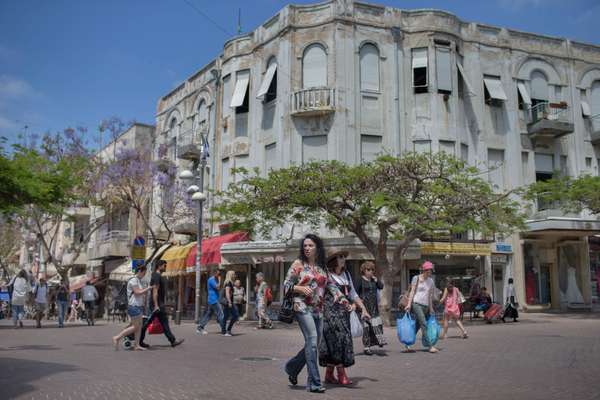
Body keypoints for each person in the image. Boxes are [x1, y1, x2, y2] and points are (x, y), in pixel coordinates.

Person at [283, 234, 349, 394]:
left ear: (317, 248)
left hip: (318, 309)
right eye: (305, 246)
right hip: (301, 306)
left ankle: (292, 367)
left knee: (313, 345)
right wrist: (299, 288)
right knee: (312, 342)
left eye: (310, 245)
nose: (307, 248)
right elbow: (286, 285)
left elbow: (331, 285)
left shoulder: (322, 267)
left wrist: (341, 297)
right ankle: (314, 383)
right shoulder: (298, 264)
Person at [319, 250, 369, 386]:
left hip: (344, 312)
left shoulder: (346, 274)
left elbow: (353, 294)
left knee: (339, 341)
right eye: (340, 257)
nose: (343, 259)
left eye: (343, 257)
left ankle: (329, 374)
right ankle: (341, 374)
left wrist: (362, 309)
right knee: (339, 340)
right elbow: (319, 294)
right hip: (330, 312)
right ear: (334, 260)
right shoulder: (326, 275)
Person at [139, 260, 184, 348]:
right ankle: (135, 338)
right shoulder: (156, 276)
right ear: (159, 266)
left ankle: (172, 340)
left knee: (163, 322)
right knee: (146, 323)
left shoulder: (157, 275)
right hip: (157, 304)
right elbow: (155, 291)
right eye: (164, 265)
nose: (165, 267)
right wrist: (156, 305)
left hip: (159, 304)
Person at [112, 266, 153, 351]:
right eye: (143, 273)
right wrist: (148, 288)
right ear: (139, 271)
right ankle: (117, 337)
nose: (144, 275)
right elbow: (137, 292)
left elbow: (140, 294)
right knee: (135, 327)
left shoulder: (138, 281)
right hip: (133, 307)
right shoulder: (133, 280)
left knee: (139, 327)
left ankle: (136, 345)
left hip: (138, 306)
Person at [405, 261, 440, 353]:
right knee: (424, 323)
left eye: (431, 271)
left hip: (426, 306)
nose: (430, 272)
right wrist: (409, 304)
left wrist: (431, 308)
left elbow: (430, 295)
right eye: (428, 271)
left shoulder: (431, 281)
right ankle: (430, 346)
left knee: (417, 326)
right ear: (424, 270)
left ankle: (408, 342)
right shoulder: (416, 278)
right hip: (416, 304)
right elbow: (412, 292)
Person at [355, 261, 387, 355]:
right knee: (366, 328)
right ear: (364, 270)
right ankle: (367, 347)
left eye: (372, 270)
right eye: (368, 269)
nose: (371, 271)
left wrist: (377, 280)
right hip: (364, 307)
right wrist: (357, 305)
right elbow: (355, 293)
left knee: (377, 325)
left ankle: (379, 341)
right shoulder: (359, 280)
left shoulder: (374, 280)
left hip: (374, 307)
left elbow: (381, 286)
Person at [196, 268, 223, 335]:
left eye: (220, 274)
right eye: (218, 274)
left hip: (214, 299)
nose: (219, 275)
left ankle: (200, 327)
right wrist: (220, 280)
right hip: (213, 299)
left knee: (209, 314)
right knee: (220, 313)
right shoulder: (211, 280)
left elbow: (219, 288)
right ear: (214, 273)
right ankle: (224, 329)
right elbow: (218, 287)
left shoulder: (215, 279)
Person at [219, 270, 239, 336]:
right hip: (228, 302)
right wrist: (230, 302)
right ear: (231, 275)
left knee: (226, 316)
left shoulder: (228, 282)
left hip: (228, 302)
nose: (235, 276)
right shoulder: (228, 283)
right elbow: (227, 293)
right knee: (235, 315)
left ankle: (224, 331)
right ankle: (228, 331)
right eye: (233, 274)